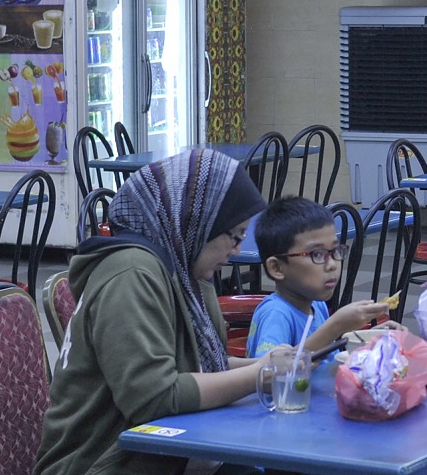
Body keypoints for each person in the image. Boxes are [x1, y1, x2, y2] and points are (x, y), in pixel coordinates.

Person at [35, 149, 274, 475]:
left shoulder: (186, 271)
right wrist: (258, 376)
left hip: (157, 456)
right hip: (102, 463)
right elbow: (153, 398)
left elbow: (199, 364)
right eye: (233, 236)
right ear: (198, 222)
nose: (236, 251)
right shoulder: (132, 274)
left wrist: (266, 366)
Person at [246, 195, 401, 357]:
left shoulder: (317, 305)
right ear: (277, 267)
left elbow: (323, 356)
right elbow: (270, 374)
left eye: (335, 251)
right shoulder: (276, 314)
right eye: (317, 254)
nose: (333, 264)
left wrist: (368, 339)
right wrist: (335, 326)